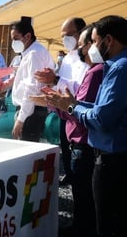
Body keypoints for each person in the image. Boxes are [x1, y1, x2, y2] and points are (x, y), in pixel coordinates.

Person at [54, 15, 127, 237]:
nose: (91, 48)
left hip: (115, 161)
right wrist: (75, 104)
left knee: (108, 227)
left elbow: (101, 118)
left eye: (94, 41)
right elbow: (104, 107)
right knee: (122, 222)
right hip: (126, 157)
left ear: (108, 40)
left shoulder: (121, 68)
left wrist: (72, 108)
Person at [31, 24, 102, 237]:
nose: (79, 49)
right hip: (74, 128)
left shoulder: (96, 71)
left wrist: (57, 104)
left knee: (84, 191)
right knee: (82, 188)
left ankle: (82, 228)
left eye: (82, 44)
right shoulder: (81, 63)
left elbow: (79, 106)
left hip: (83, 135)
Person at [35, 17, 89, 186]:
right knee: (64, 143)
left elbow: (80, 86)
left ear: (81, 33)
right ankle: (69, 172)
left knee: (78, 148)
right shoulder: (67, 58)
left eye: (69, 35)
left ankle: (79, 177)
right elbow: (60, 81)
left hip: (78, 109)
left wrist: (57, 79)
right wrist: (51, 83)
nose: (65, 39)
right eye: (63, 36)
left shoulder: (87, 58)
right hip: (62, 108)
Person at [10, 17, 56, 141]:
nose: (13, 42)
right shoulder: (32, 52)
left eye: (16, 38)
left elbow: (31, 89)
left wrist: (21, 119)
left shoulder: (34, 54)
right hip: (31, 110)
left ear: (27, 36)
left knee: (24, 152)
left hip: (31, 112)